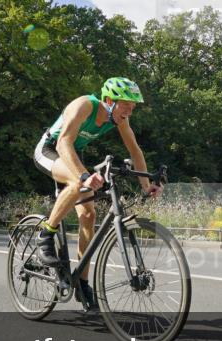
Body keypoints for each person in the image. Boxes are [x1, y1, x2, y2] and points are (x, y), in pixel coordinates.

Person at [32, 77, 161, 310]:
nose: (130, 110)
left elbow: (135, 150)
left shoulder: (119, 118)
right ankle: (46, 234)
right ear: (109, 101)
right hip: (50, 149)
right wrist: (83, 176)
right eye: (126, 105)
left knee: (89, 215)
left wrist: (146, 185)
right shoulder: (84, 105)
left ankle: (82, 282)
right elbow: (63, 143)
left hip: (72, 154)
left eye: (133, 106)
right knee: (76, 181)